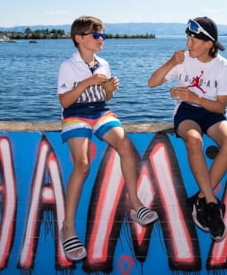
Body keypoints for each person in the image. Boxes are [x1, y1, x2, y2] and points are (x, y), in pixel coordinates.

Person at [57, 16, 158, 260]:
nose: (101, 39)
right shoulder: (67, 66)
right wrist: (87, 82)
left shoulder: (103, 63)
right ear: (79, 39)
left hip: (100, 111)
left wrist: (110, 88)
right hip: (75, 114)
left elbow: (107, 98)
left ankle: (134, 204)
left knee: (125, 145)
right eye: (96, 35)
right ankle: (67, 227)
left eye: (102, 35)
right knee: (82, 164)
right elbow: (64, 101)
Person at [147, 17, 227, 241]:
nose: (188, 44)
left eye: (194, 41)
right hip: (187, 111)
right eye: (188, 38)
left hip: (212, 111)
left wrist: (196, 97)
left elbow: (221, 106)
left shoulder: (224, 67)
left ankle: (199, 199)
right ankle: (210, 203)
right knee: (194, 140)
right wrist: (171, 62)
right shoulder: (183, 60)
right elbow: (152, 82)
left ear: (209, 44)